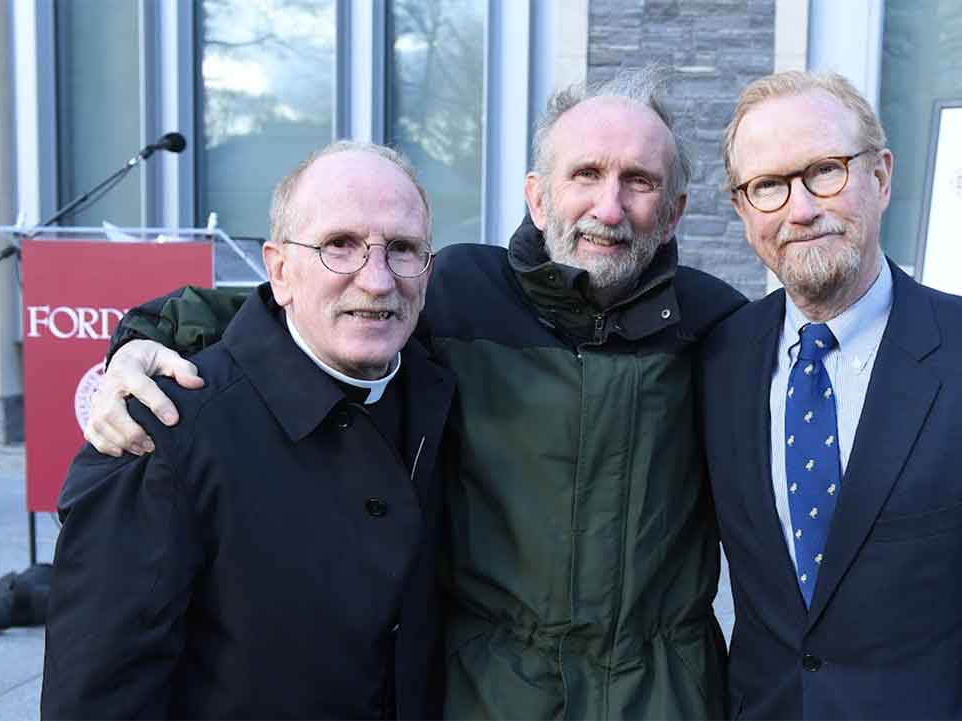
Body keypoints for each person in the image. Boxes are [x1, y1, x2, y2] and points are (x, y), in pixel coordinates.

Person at [81, 67, 743, 719]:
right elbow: (301, 306)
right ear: (538, 199)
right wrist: (136, 344)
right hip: (489, 695)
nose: (609, 207)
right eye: (587, 174)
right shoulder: (458, 295)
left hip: (664, 696)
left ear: (675, 211)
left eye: (640, 181)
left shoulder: (718, 328)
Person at [700, 71, 962, 719]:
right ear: (744, 210)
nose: (800, 209)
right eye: (768, 186)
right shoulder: (718, 362)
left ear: (881, 177)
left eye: (825, 170)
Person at [41, 142, 455, 719]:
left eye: (403, 248)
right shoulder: (165, 427)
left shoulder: (446, 390)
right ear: (280, 269)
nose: (379, 279)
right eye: (340, 245)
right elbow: (99, 692)